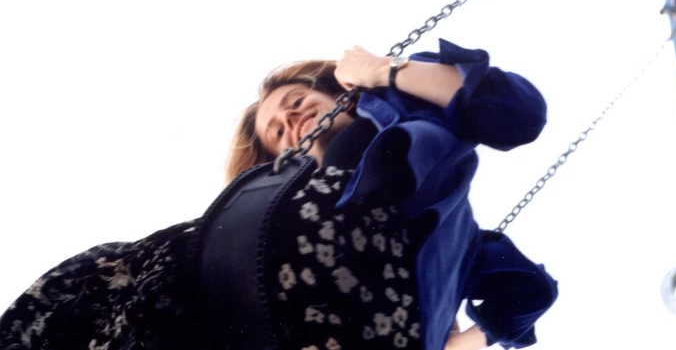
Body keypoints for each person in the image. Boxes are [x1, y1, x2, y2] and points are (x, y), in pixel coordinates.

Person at [0, 39, 557, 350]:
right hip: (218, 308)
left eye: (294, 100)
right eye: (275, 129)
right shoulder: (269, 219)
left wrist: (380, 71)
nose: (290, 117)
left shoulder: (446, 219)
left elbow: (517, 115)